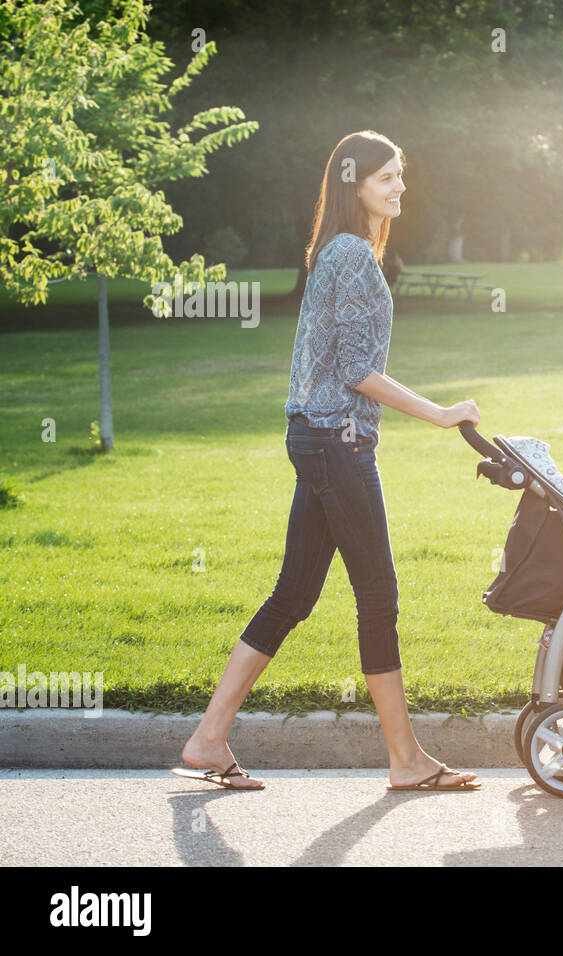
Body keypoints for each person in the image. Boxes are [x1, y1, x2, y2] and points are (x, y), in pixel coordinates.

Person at [173, 130, 481, 792]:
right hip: (335, 440)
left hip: (320, 437)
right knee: (378, 595)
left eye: (400, 175)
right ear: (355, 184)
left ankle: (207, 739)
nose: (400, 186)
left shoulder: (348, 252)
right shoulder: (350, 255)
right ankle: (405, 760)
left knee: (295, 593)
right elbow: (356, 369)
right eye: (386, 178)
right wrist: (440, 413)